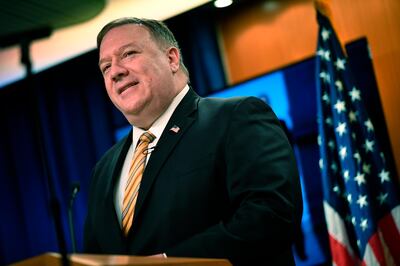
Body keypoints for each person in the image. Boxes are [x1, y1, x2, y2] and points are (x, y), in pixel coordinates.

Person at [84, 17, 303, 266]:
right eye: (105, 67)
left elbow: (273, 214)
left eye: (129, 54)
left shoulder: (234, 117)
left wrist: (170, 262)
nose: (115, 72)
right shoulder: (104, 169)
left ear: (172, 59)